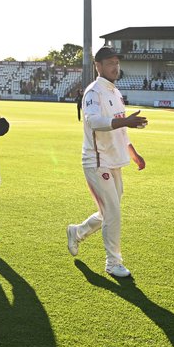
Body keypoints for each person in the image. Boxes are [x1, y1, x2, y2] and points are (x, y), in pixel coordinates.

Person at [66, 46, 147, 278]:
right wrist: (125, 123)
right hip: (96, 160)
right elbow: (94, 122)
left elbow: (121, 128)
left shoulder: (115, 92)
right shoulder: (93, 93)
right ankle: (113, 263)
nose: (115, 67)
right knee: (112, 212)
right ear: (98, 66)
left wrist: (133, 153)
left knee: (108, 211)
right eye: (110, 63)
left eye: (117, 63)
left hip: (114, 159)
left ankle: (77, 232)